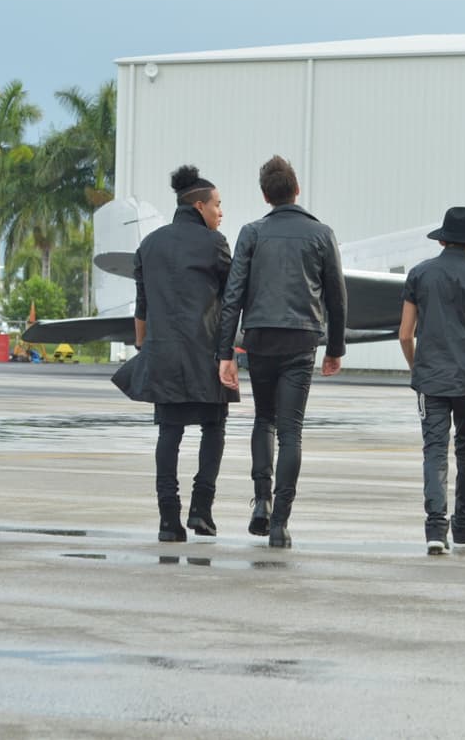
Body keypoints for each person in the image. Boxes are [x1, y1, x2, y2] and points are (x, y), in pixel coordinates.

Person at [218, 155, 347, 549]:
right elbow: (337, 297)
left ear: (265, 195)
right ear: (297, 190)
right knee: (291, 430)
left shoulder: (251, 233)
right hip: (301, 338)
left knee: (264, 420)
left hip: (259, 338)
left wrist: (225, 352)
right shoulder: (321, 233)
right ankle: (280, 523)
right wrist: (335, 348)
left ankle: (261, 499)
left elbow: (233, 295)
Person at [113, 165, 234, 542]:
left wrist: (143, 347)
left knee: (170, 433)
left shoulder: (149, 244)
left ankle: (168, 520)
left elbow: (142, 307)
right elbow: (230, 303)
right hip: (206, 354)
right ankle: (201, 509)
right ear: (198, 206)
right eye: (217, 205)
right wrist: (228, 350)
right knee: (213, 428)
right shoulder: (215, 244)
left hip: (162, 353)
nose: (220, 212)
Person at [398, 206, 465, 555]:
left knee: (434, 450)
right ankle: (463, 523)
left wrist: (418, 367)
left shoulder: (419, 275)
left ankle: (434, 528)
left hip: (431, 378)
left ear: (442, 239)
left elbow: (404, 334)